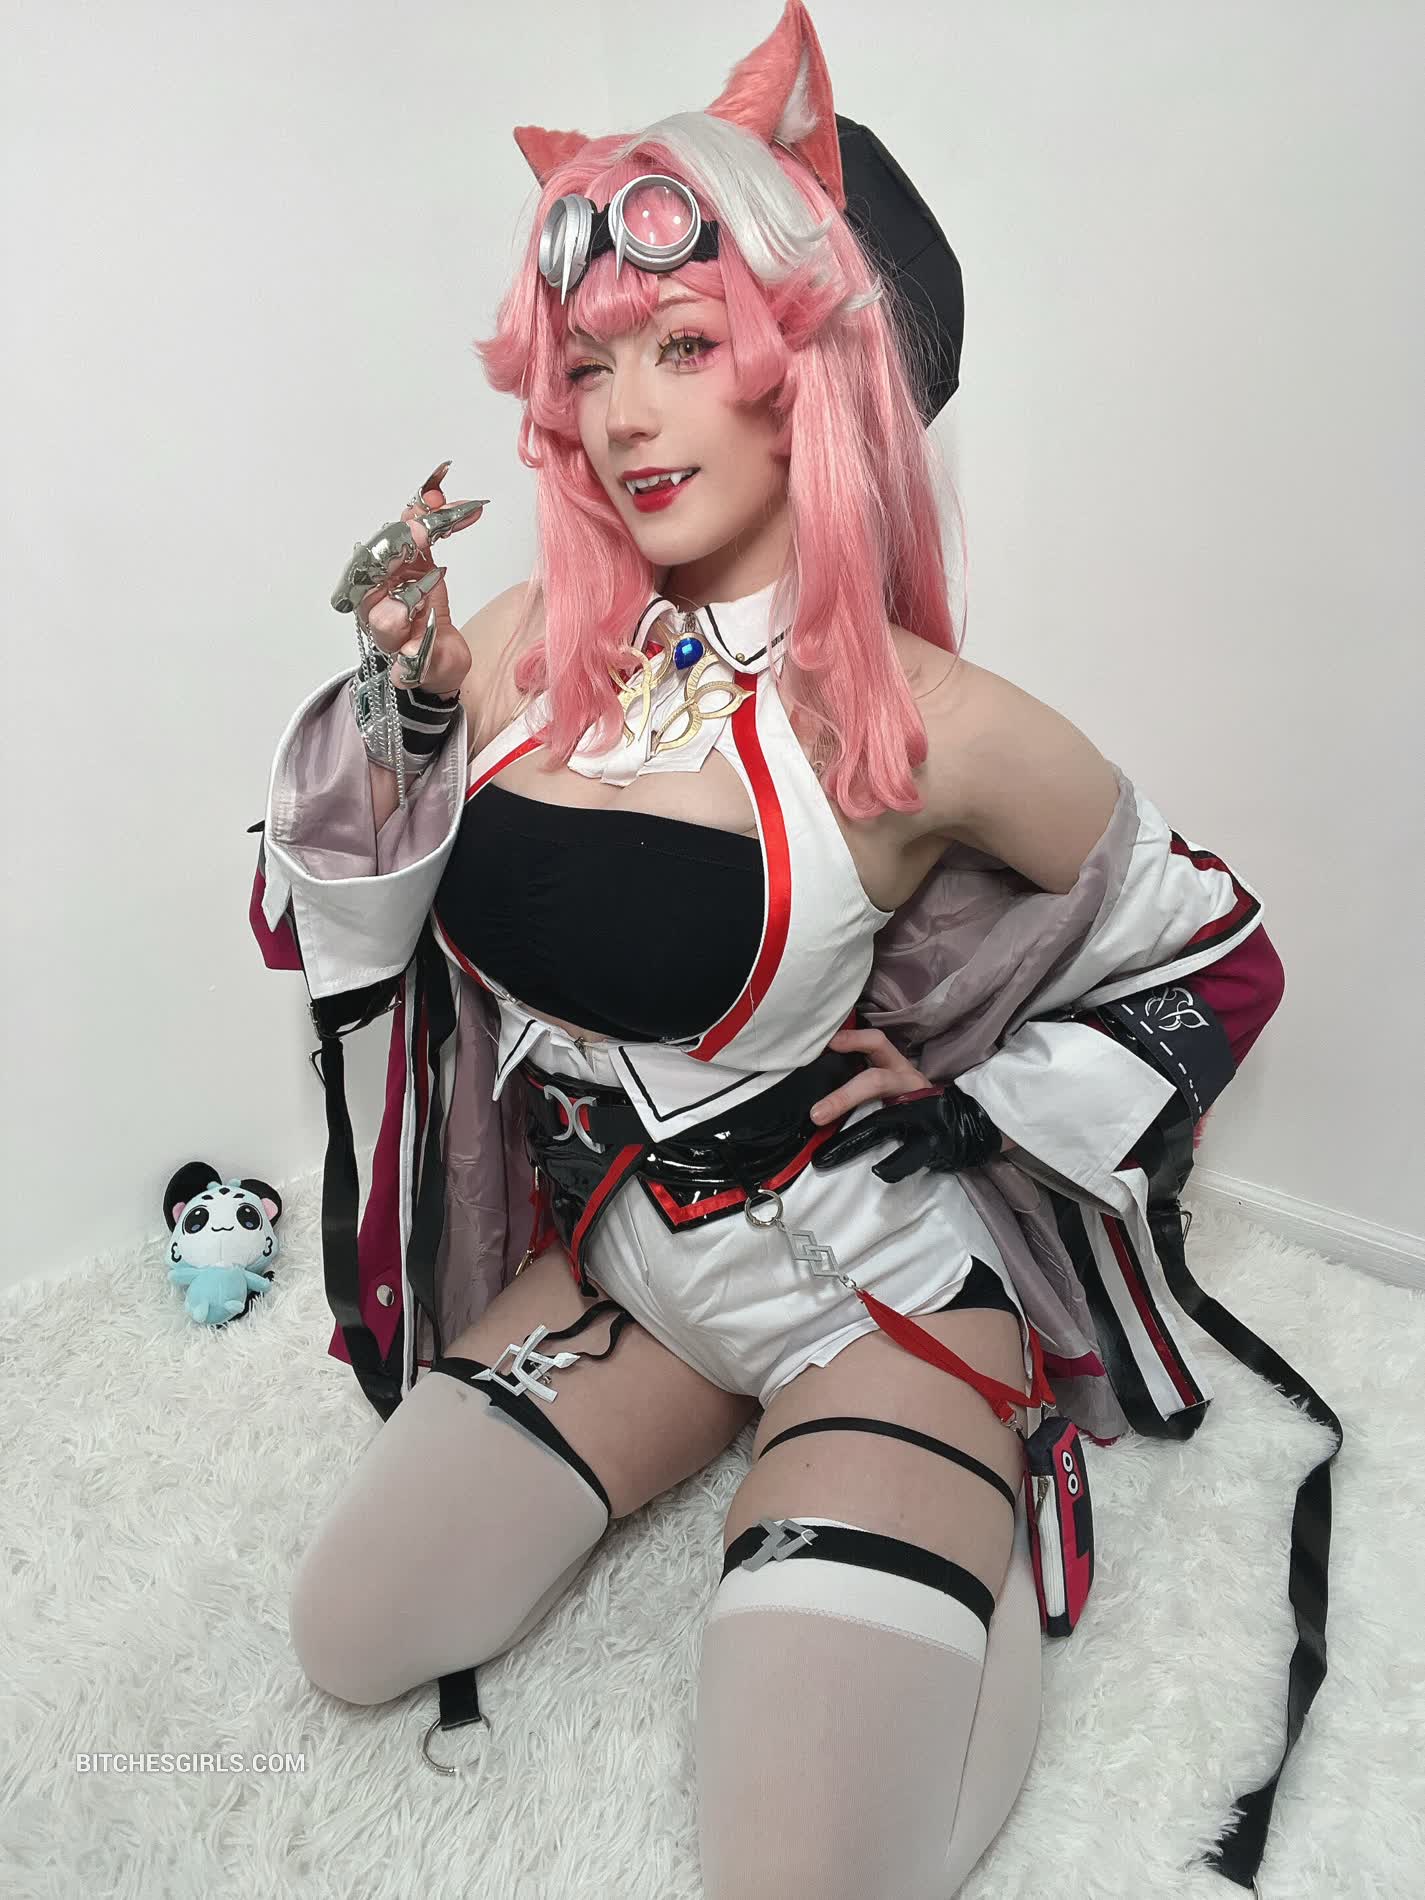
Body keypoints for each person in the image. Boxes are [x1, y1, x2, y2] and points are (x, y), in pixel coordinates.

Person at [250, 6, 1325, 1893]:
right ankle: (776, 1473)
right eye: (593, 363)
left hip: (865, 1297)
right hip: (630, 1264)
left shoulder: (931, 721)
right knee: (353, 1633)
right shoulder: (521, 641)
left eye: (686, 349)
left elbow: (1218, 953)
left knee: (796, 1873)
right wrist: (404, 708)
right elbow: (337, 912)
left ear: (805, 377)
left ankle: (964, 1495)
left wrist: (988, 1105)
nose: (625, 416)